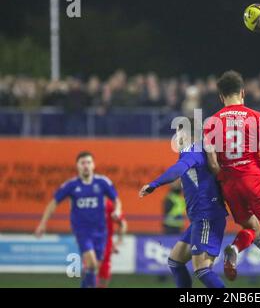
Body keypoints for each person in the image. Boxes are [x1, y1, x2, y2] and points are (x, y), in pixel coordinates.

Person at [203, 70, 260, 281]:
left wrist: (224, 179)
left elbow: (212, 162)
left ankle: (233, 249)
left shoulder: (211, 122)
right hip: (253, 177)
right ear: (243, 92)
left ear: (221, 96)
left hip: (230, 184)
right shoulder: (255, 117)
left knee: (252, 227)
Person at [139, 120, 228, 288]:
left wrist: (154, 184)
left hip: (206, 216)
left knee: (201, 269)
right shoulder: (200, 150)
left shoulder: (192, 150)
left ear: (188, 135)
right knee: (175, 261)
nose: (176, 138)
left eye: (179, 134)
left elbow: (178, 169)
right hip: (200, 218)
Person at [35, 151, 122, 288]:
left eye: (88, 162)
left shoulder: (102, 182)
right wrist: (42, 224)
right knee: (92, 263)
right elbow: (52, 204)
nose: (86, 165)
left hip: (101, 232)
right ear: (77, 166)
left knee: (93, 268)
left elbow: (116, 200)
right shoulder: (71, 185)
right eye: (82, 163)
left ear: (93, 165)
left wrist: (117, 210)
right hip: (82, 231)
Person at [98, 199, 127, 288]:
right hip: (97, 241)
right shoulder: (108, 203)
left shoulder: (108, 204)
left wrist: (119, 241)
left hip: (103, 242)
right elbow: (123, 224)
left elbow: (123, 223)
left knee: (99, 270)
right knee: (94, 268)